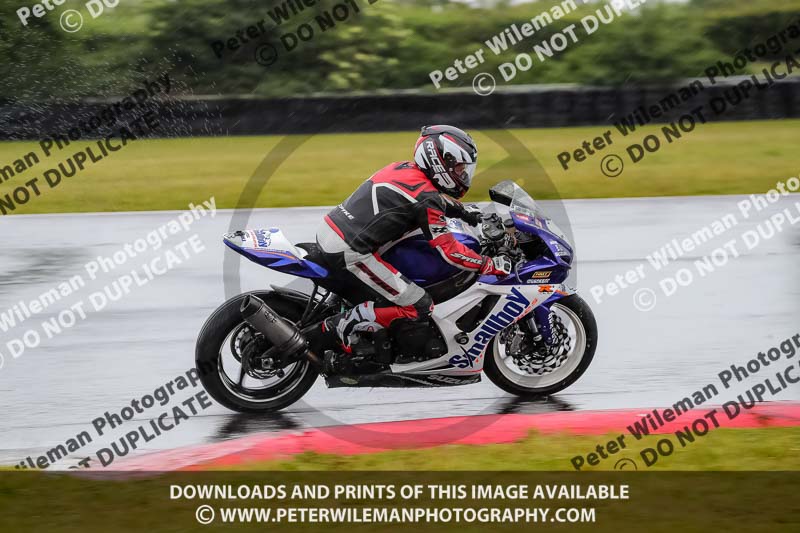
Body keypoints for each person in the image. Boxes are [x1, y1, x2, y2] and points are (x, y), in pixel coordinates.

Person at [308, 125, 512, 355]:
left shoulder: (403, 168)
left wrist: (467, 213)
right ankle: (341, 324)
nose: (463, 174)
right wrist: (488, 264)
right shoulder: (427, 198)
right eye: (458, 167)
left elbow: (434, 200)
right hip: (350, 251)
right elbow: (450, 252)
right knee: (419, 305)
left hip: (332, 231)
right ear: (440, 162)